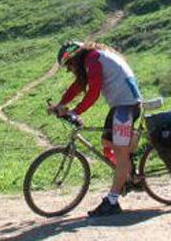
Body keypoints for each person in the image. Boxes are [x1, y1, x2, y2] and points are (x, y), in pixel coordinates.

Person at [48, 40, 143, 217]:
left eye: (69, 65)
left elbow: (94, 92)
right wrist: (60, 104)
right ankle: (129, 175)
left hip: (126, 107)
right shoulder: (92, 57)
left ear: (75, 58)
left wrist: (76, 112)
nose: (70, 70)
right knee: (107, 142)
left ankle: (113, 201)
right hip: (122, 105)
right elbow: (78, 86)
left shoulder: (93, 59)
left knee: (121, 155)